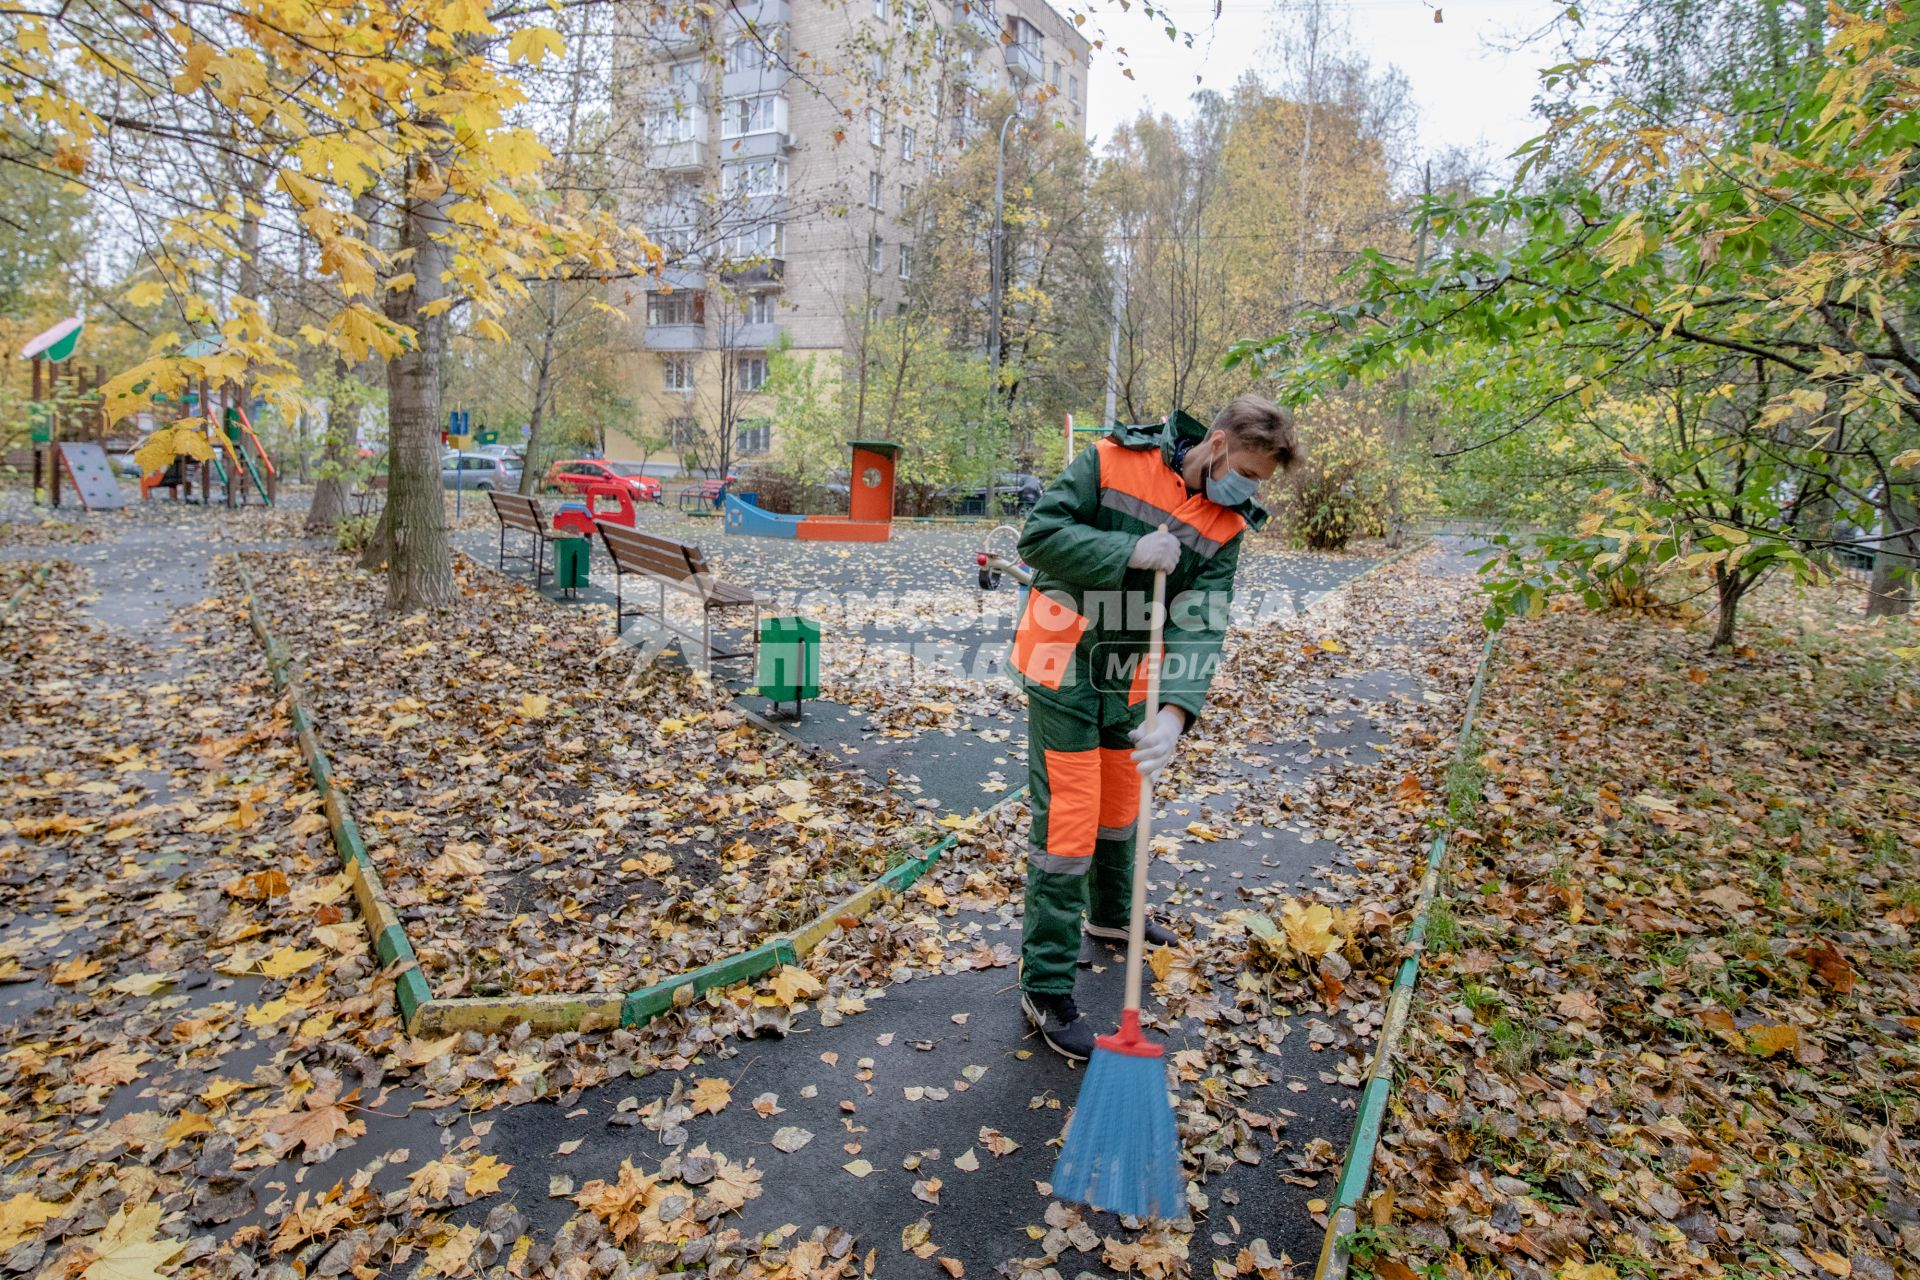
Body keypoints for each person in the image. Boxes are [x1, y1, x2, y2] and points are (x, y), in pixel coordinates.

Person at [1012, 396, 1300, 1059]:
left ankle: (1112, 915)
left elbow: (1202, 619)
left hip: (1131, 662)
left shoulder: (1226, 526)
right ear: (1220, 443)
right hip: (1063, 647)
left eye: (1260, 483)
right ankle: (1046, 985)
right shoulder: (1112, 461)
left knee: (1120, 801)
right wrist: (1129, 550)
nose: (1249, 490)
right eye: (1249, 473)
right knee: (1070, 819)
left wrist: (1174, 713)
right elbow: (1040, 536)